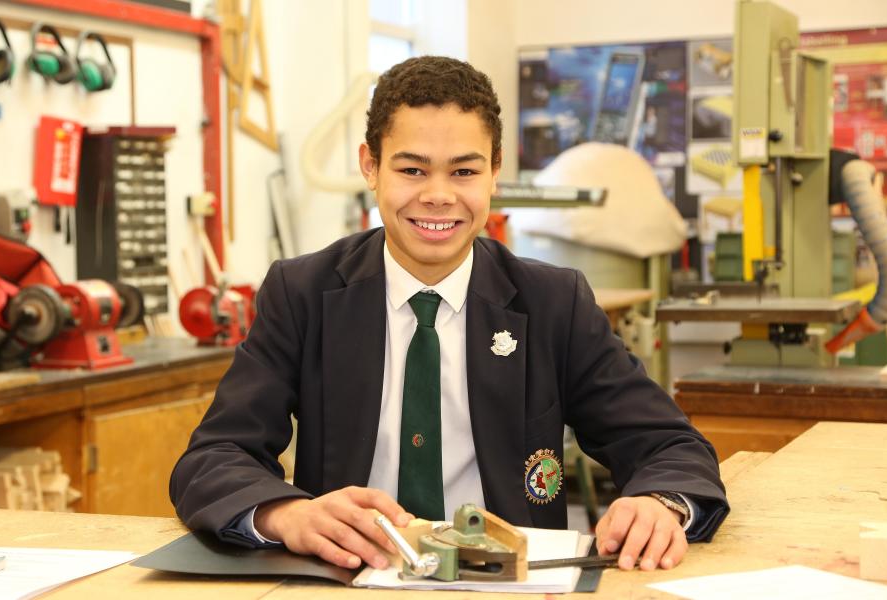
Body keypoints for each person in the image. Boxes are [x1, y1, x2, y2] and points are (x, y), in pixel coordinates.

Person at [170, 55, 729, 575]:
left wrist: (660, 503)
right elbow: (216, 456)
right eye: (412, 170)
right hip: (350, 578)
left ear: (495, 173)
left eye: (464, 172)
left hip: (509, 584)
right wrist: (285, 513)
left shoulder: (554, 302)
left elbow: (669, 446)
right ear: (371, 166)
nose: (438, 196)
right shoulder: (302, 293)